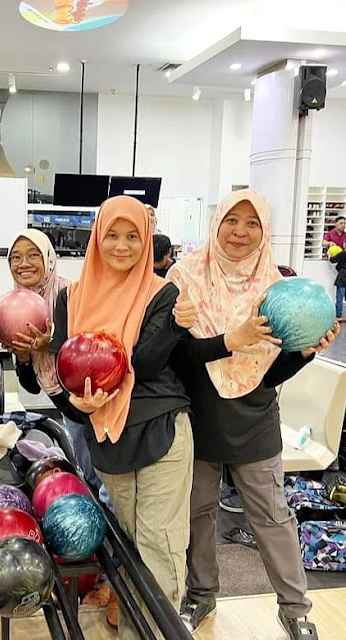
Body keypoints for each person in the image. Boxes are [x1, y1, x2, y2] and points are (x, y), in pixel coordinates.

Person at [167, 189, 338, 640]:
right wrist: (230, 339)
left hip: (254, 417)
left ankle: (295, 609)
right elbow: (175, 358)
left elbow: (269, 373)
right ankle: (201, 595)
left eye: (252, 223)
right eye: (232, 220)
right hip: (196, 414)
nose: (240, 231)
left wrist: (303, 353)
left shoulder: (276, 288)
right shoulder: (184, 278)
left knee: (272, 516)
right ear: (216, 223)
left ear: (265, 231)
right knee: (197, 513)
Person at [50, 196, 197, 639]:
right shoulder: (70, 298)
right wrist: (78, 406)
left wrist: (174, 327)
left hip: (160, 428)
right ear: (97, 237)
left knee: (160, 544)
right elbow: (64, 372)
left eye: (133, 236)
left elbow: (147, 365)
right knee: (130, 545)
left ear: (147, 240)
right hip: (106, 436)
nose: (122, 245)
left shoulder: (161, 292)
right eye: (112, 234)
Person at [6, 229, 115, 613]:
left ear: (49, 258)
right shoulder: (18, 306)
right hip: (67, 405)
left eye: (32, 255)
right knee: (90, 482)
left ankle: (113, 583)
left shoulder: (72, 293)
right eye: (16, 257)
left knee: (107, 487)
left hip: (96, 401)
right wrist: (23, 355)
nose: (24, 263)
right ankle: (96, 573)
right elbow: (29, 383)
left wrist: (48, 343)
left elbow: (88, 348)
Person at [329, 247, 346, 322]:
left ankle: (339, 316)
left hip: (342, 277)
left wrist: (329, 255)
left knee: (339, 297)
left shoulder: (343, 253)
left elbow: (332, 260)